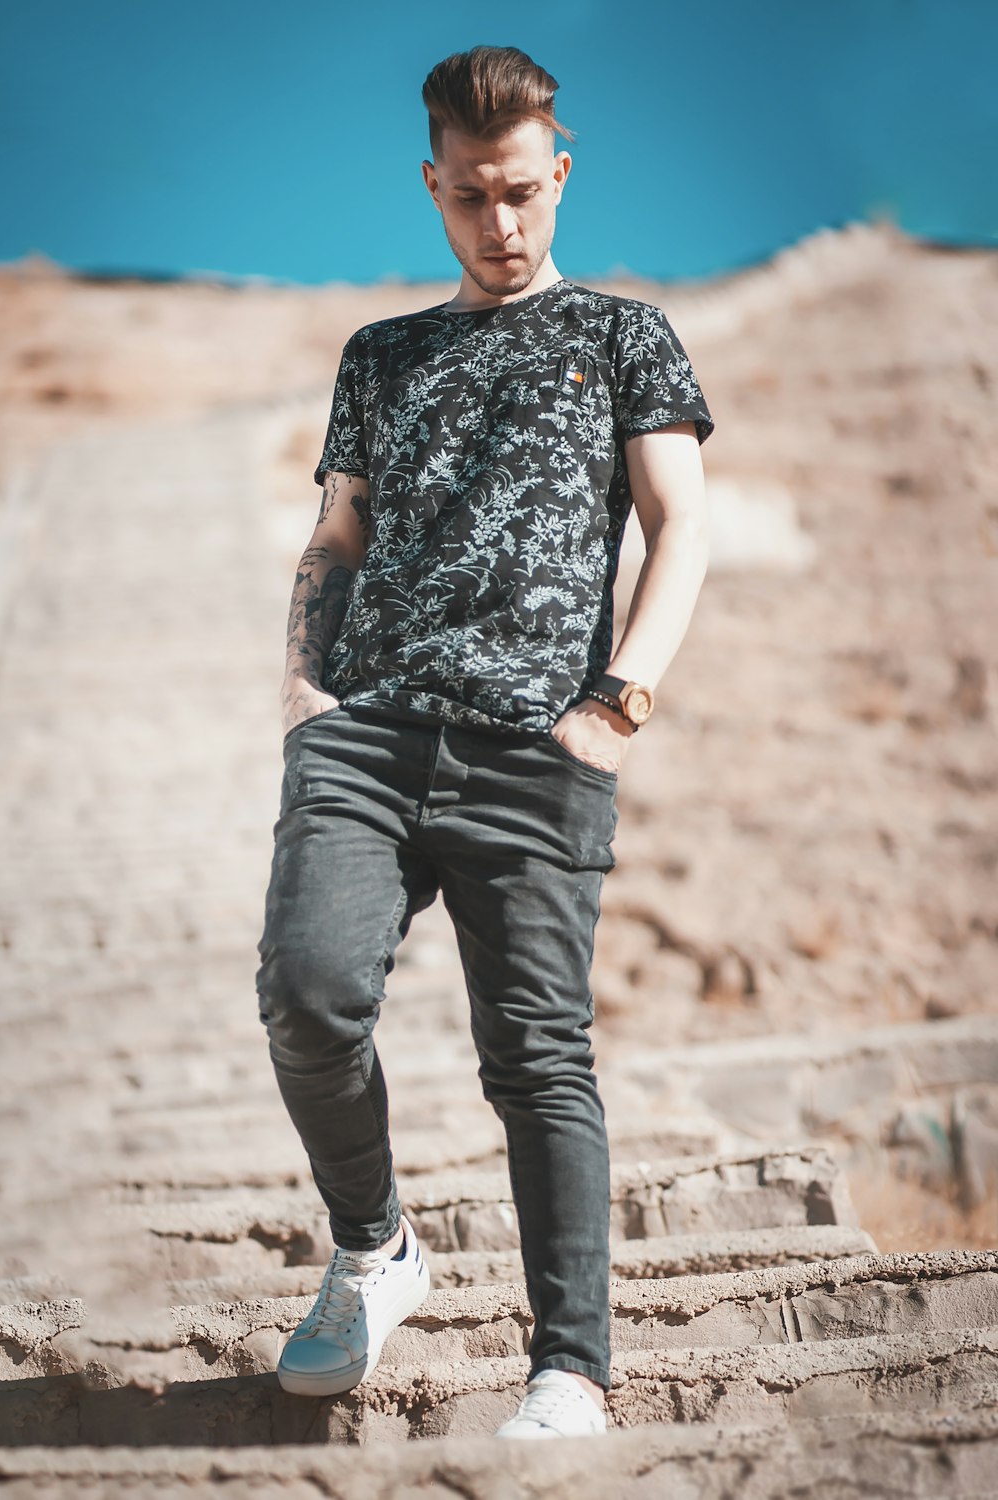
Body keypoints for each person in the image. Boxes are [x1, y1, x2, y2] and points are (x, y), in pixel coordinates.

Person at [255, 43, 714, 1439]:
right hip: (369, 735)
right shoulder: (381, 356)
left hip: (539, 752)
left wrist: (614, 706)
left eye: (521, 192)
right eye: (470, 198)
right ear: (433, 186)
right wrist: (301, 692)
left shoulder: (627, 336)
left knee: (538, 1060)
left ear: (558, 173)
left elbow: (680, 525)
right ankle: (376, 1245)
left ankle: (570, 1371)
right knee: (308, 991)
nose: (500, 225)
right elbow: (338, 533)